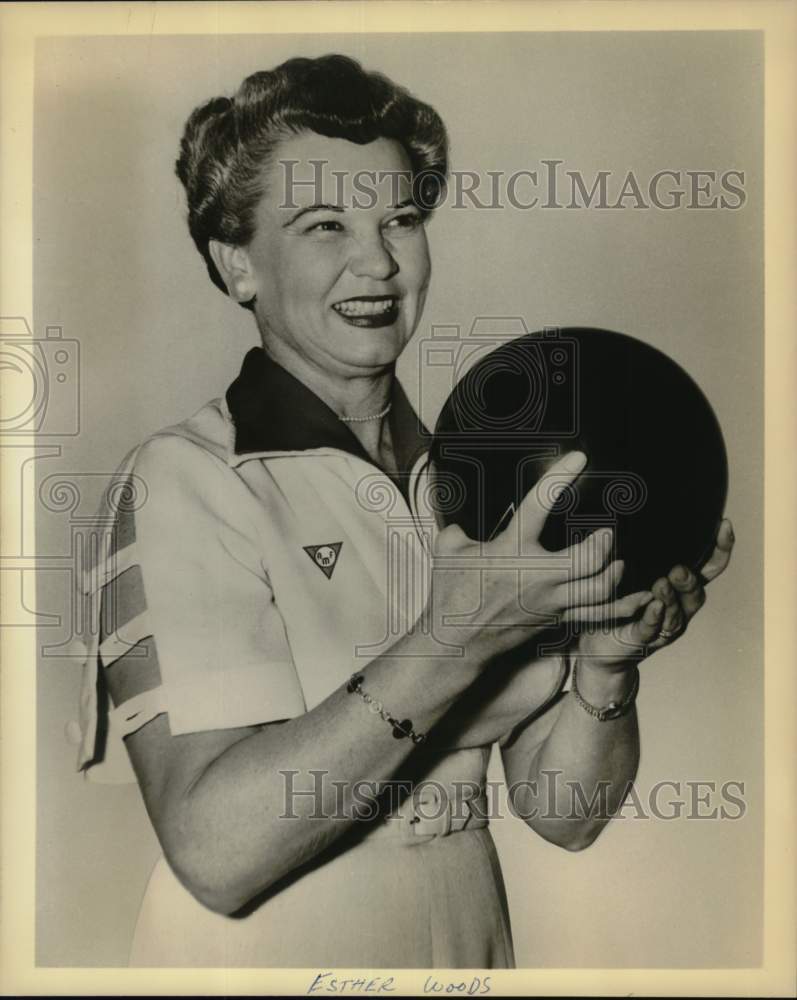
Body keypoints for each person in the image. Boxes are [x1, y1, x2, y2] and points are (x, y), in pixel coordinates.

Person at [73, 54, 735, 968]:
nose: (377, 261)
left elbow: (564, 816)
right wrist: (455, 637)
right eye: (324, 225)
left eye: (402, 219)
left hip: (464, 940)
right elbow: (216, 853)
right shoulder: (189, 480)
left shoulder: (477, 477)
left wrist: (606, 671)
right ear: (237, 264)